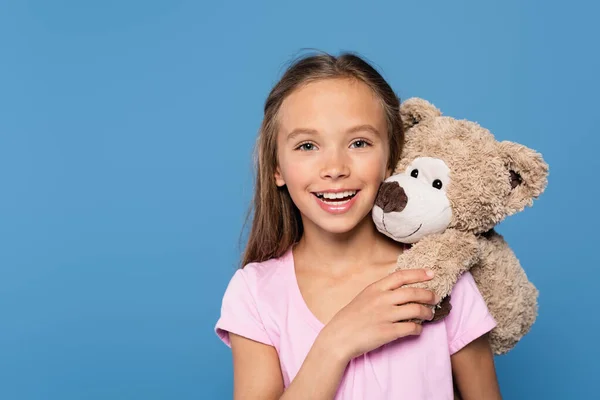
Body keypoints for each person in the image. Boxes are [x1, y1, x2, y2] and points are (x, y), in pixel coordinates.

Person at [214, 51, 502, 399]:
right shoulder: (255, 294)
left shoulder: (438, 279)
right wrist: (336, 342)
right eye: (307, 145)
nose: (335, 167)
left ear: (390, 158)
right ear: (277, 169)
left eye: (359, 143)